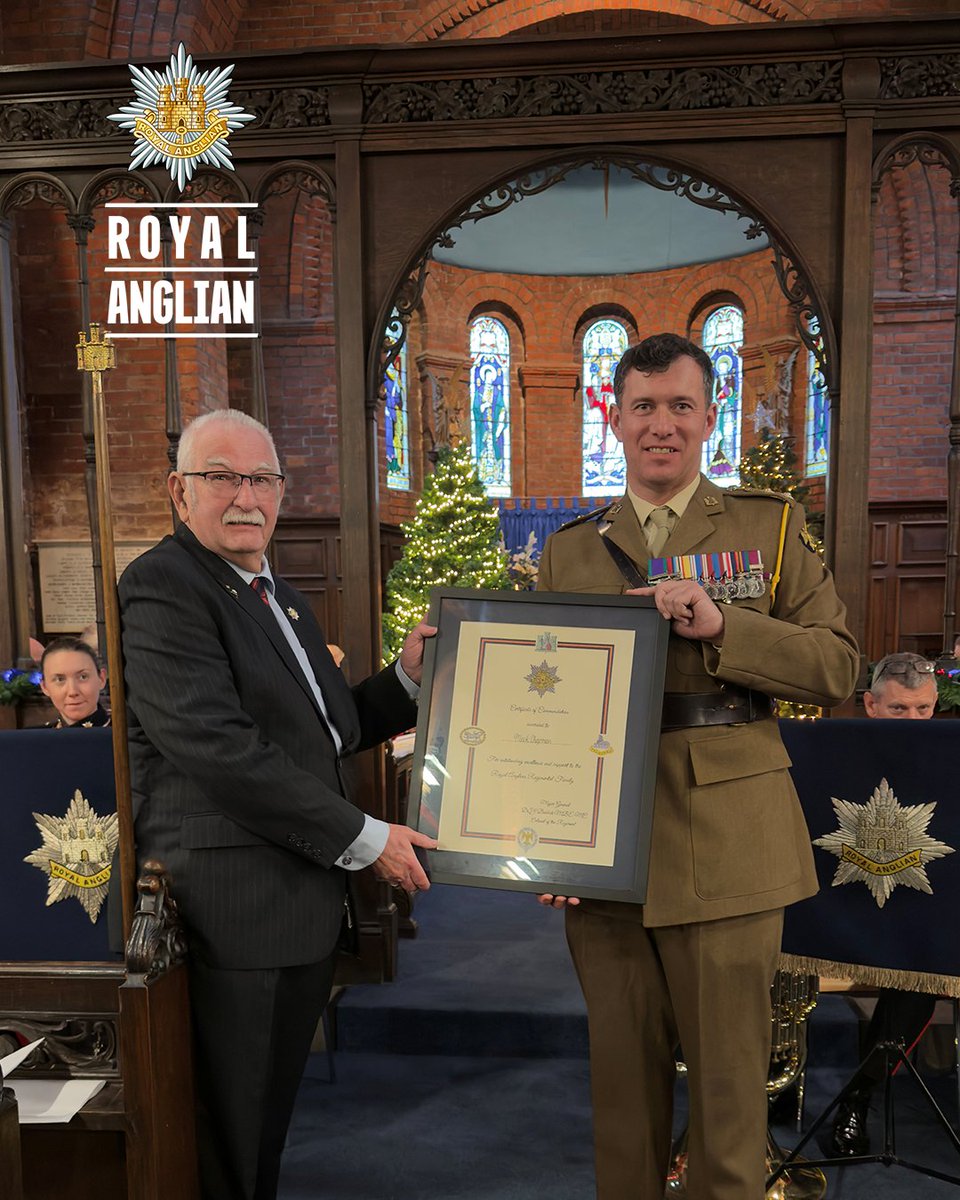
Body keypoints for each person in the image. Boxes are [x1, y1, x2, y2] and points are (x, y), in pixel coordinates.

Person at [536, 333, 858, 1200]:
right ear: (615, 419)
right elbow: (547, 705)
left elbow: (836, 667)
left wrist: (726, 629)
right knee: (622, 1099)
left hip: (727, 840)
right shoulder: (569, 549)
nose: (662, 425)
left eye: (681, 405)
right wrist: (549, 838)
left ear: (708, 416)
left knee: (725, 1104)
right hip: (607, 852)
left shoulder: (769, 525)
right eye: (643, 406)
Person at [118, 408, 436, 1200]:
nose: (245, 495)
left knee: (262, 1125)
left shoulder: (279, 596)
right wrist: (364, 838)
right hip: (236, 909)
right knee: (230, 1136)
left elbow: (335, 728)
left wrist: (408, 678)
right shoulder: (164, 584)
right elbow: (216, 747)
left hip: (292, 900)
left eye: (261, 478)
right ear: (177, 491)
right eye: (220, 476)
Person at [830, 650, 939, 1156]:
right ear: (871, 705)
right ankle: (774, 1088)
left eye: (924, 710)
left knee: (926, 967)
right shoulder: (832, 752)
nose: (915, 722)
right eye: (900, 710)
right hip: (838, 902)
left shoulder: (950, 756)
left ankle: (858, 1097)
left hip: (915, 912)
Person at [39, 636, 110, 728]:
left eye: (83, 677)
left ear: (101, 679)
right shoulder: (34, 740)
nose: (72, 692)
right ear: (44, 687)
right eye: (60, 679)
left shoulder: (126, 737)